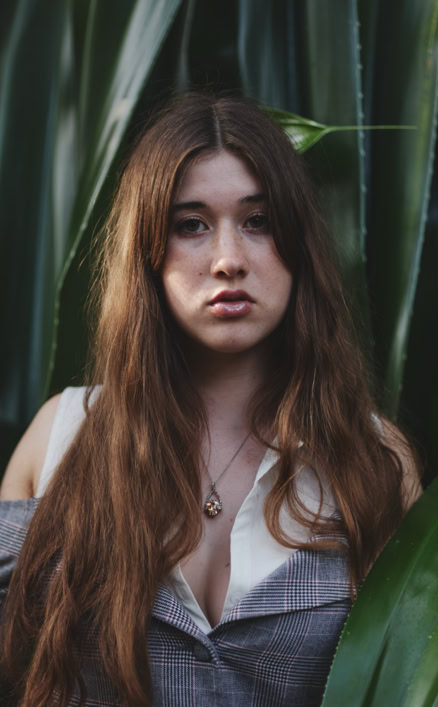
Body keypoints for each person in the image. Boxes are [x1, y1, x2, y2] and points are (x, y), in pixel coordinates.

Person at [0, 92, 420, 707]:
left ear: (299, 243)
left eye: (259, 221)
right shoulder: (60, 435)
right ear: (147, 251)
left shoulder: (372, 458)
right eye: (190, 225)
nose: (228, 260)